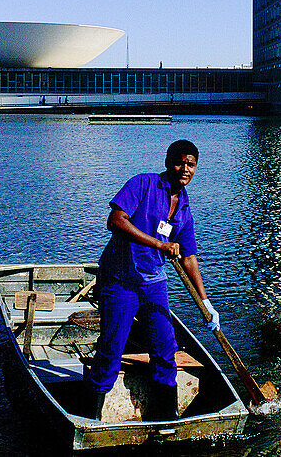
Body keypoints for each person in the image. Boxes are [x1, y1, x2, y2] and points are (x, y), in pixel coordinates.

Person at [84, 139, 220, 421]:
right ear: (168, 162)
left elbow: (189, 258)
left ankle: (165, 417)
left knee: (165, 345)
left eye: (191, 164)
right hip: (120, 281)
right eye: (180, 162)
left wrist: (205, 302)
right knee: (112, 347)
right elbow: (116, 221)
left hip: (154, 283)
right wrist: (159, 245)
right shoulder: (143, 184)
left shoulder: (183, 208)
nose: (185, 169)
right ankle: (90, 417)